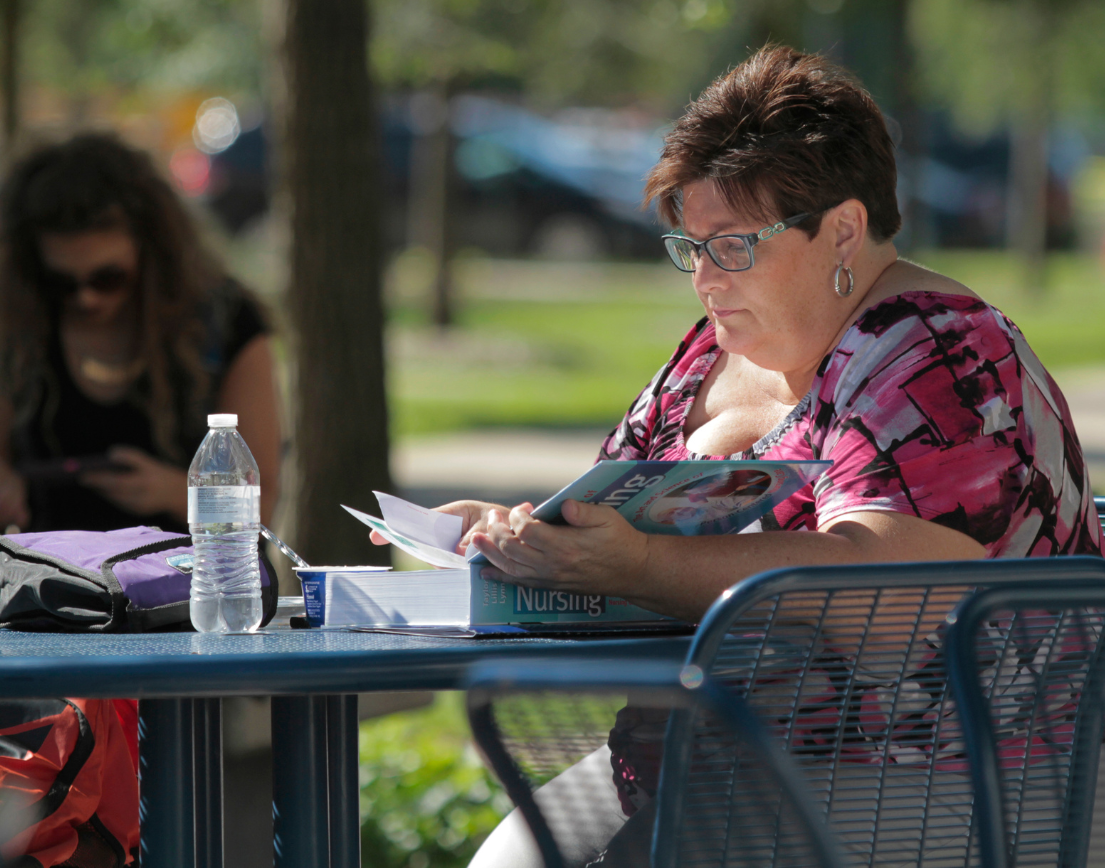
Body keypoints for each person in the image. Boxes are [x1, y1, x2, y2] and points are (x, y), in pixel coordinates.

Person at [411, 46, 1101, 867]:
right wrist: (529, 539)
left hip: (946, 778)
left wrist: (634, 564)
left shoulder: (936, 348)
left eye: (732, 245)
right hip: (717, 755)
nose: (703, 277)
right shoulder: (710, 353)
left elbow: (888, 600)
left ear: (843, 228)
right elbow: (606, 516)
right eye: (688, 245)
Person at [0, 133, 281, 534]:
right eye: (61, 282)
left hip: (189, 586)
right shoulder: (16, 327)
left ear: (151, 253)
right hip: (52, 585)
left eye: (108, 278)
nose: (86, 299)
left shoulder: (226, 323)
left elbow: (265, 505)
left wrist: (173, 492)